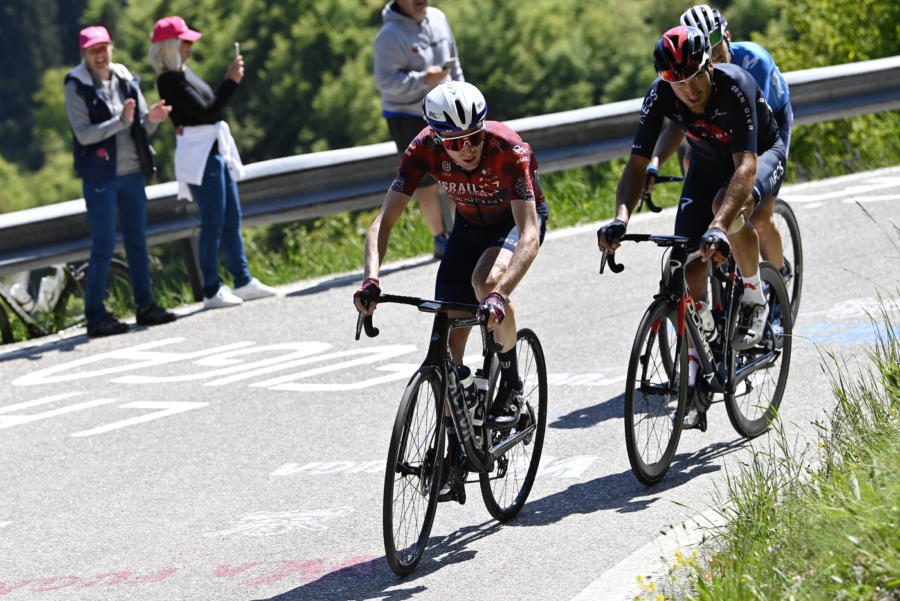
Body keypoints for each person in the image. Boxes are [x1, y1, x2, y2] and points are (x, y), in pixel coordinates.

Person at [353, 82, 548, 498]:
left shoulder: (508, 149)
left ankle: (511, 385)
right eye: (456, 142)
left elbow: (530, 235)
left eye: (474, 136)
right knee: (446, 352)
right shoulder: (422, 148)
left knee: (486, 283)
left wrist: (498, 296)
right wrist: (371, 279)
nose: (468, 148)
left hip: (515, 224)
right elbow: (383, 223)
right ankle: (454, 452)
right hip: (468, 229)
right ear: (439, 139)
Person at [596, 26, 785, 427]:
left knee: (724, 210)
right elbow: (636, 165)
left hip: (759, 155)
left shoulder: (735, 86)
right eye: (676, 81)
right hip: (706, 163)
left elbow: (745, 166)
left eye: (694, 77)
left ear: (708, 66)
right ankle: (700, 367)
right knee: (688, 265)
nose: (688, 89)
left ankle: (755, 297)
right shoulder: (661, 94)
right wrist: (620, 219)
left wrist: (717, 226)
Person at [649, 4, 793, 277]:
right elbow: (679, 124)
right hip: (729, 129)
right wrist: (655, 161)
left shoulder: (753, 61)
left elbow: (753, 129)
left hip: (769, 123)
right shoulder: (695, 75)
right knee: (692, 159)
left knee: (759, 215)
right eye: (704, 43)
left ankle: (779, 272)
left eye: (715, 39)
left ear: (727, 35)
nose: (712, 50)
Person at [149, 16, 275, 310]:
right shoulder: (168, 80)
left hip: (213, 150)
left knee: (231, 217)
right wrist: (230, 82)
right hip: (201, 156)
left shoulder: (183, 73)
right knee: (213, 222)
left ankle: (242, 280)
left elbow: (209, 109)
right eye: (185, 42)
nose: (190, 47)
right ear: (171, 47)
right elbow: (207, 111)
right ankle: (210, 288)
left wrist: (228, 83)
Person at [64, 25, 177, 337]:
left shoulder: (125, 78)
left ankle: (146, 306)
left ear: (111, 48)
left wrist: (151, 120)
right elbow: (83, 135)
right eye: (93, 50)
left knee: (137, 241)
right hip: (100, 176)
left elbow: (139, 126)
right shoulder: (76, 86)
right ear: (84, 54)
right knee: (104, 244)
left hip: (133, 172)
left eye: (103, 48)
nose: (100, 55)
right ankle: (95, 316)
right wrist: (121, 121)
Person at [374, 0, 465, 258]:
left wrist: (463, 93)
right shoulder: (389, 35)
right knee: (424, 180)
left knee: (460, 170)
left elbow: (455, 64)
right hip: (406, 114)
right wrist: (423, 79)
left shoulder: (438, 17)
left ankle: (464, 231)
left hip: (446, 107)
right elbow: (385, 81)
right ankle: (440, 238)